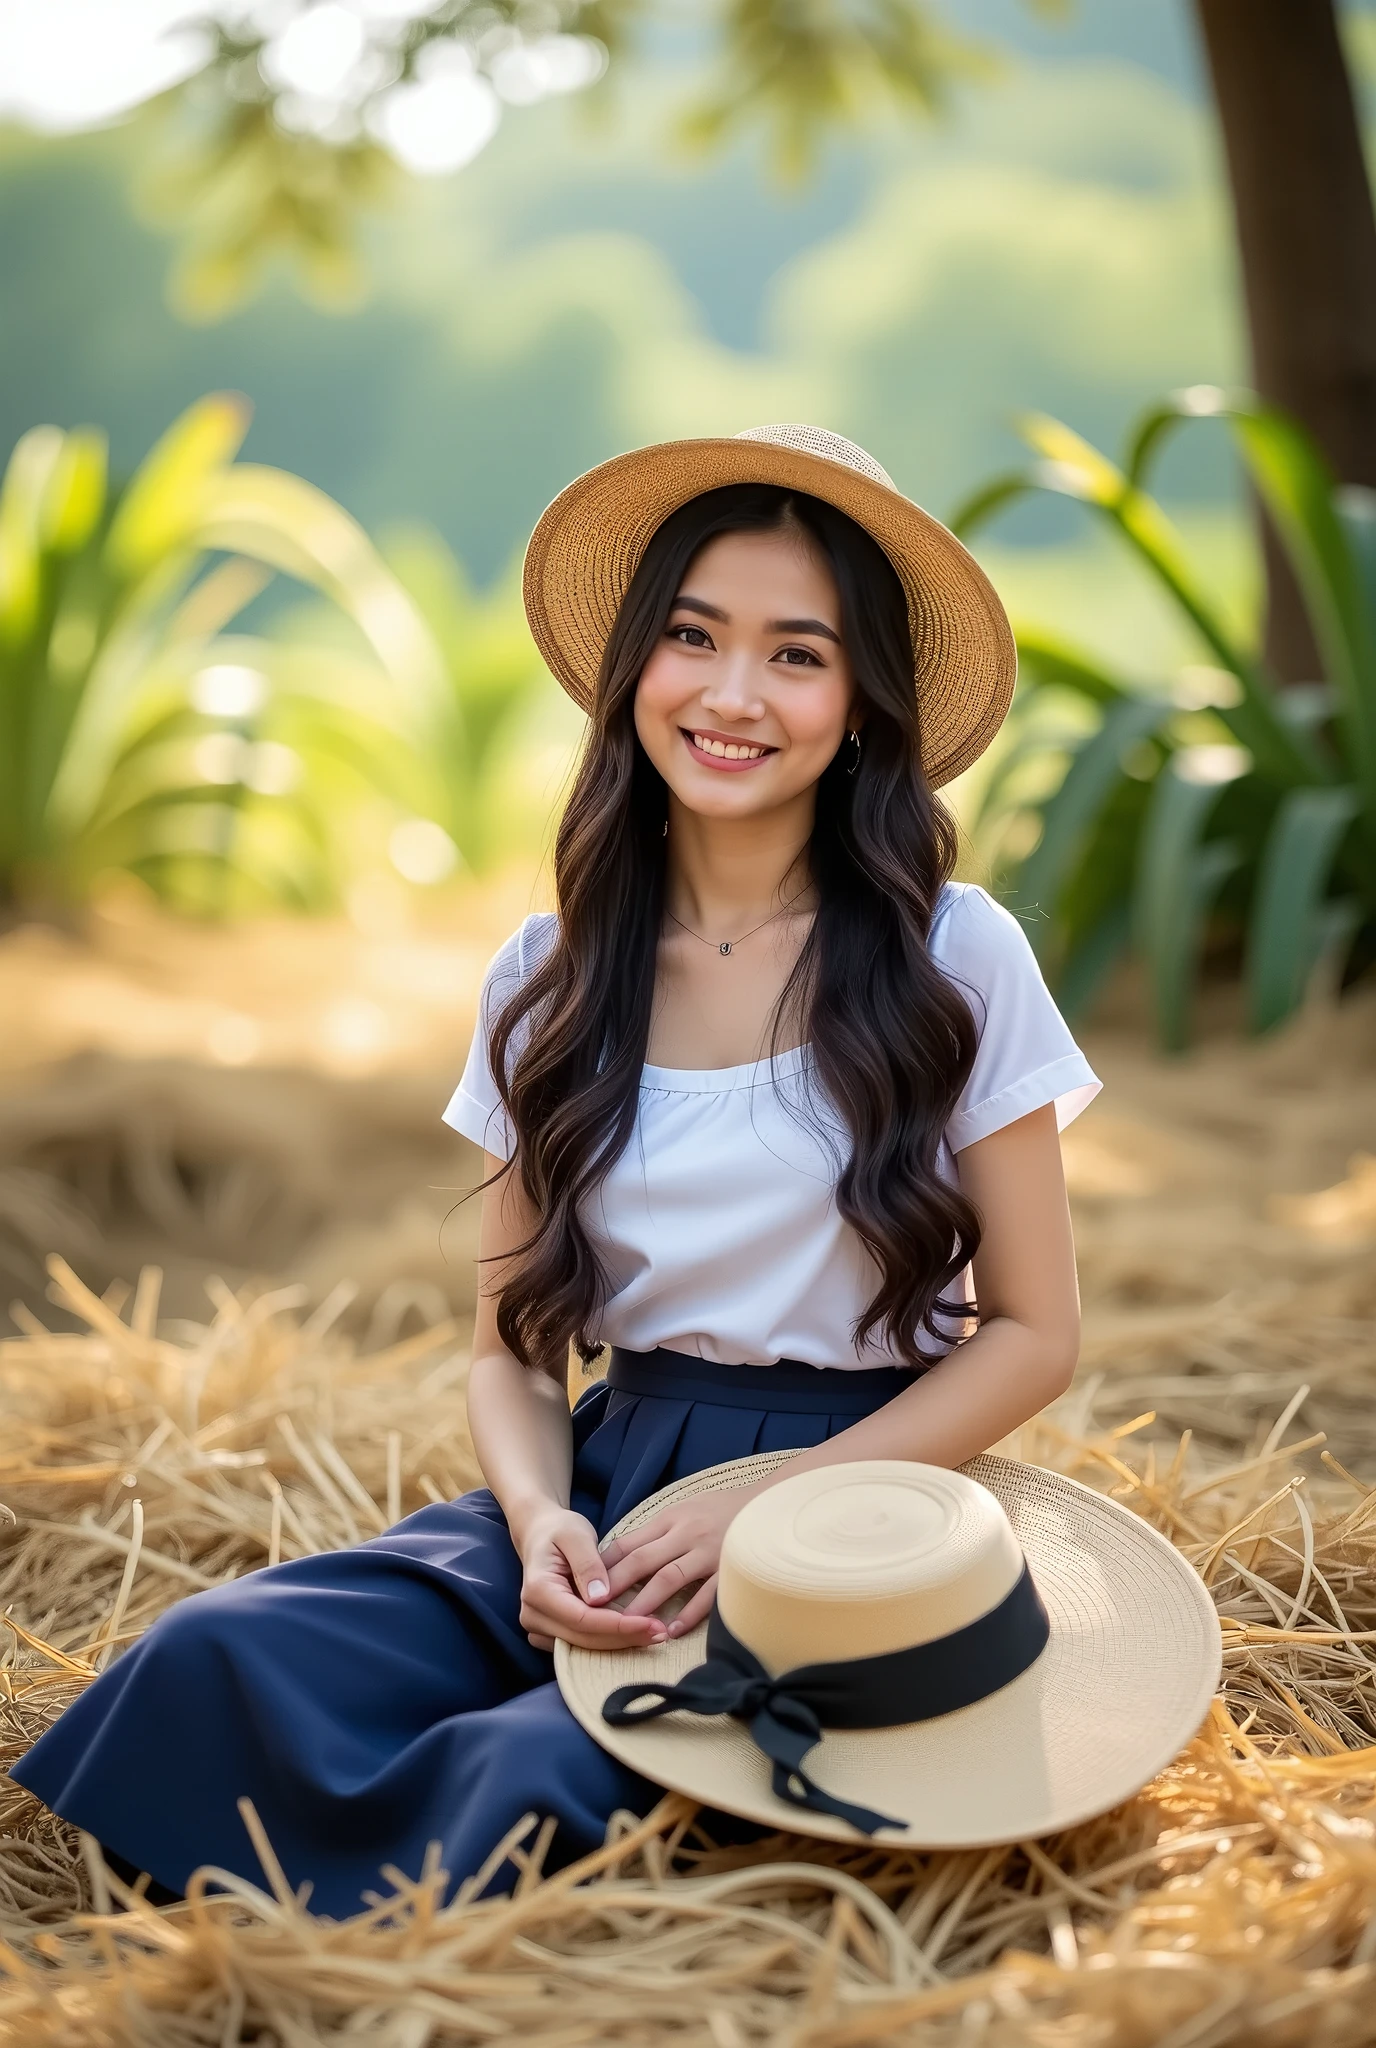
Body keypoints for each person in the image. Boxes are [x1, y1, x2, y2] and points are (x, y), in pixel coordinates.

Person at [12, 426, 1100, 1917]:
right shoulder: (547, 977)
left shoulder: (955, 956)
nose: (729, 695)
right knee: (210, 1664)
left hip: (859, 1506)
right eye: (692, 636)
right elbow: (509, 1354)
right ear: (631, 668)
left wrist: (772, 1504)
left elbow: (1037, 1336)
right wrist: (540, 1530)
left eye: (796, 655)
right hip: (600, 1487)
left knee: (537, 1775)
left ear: (862, 706)